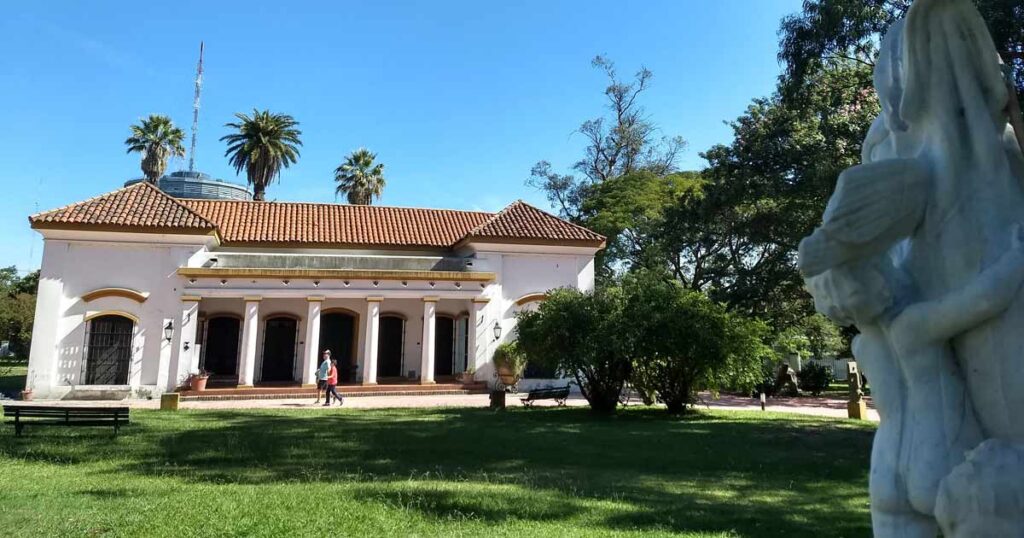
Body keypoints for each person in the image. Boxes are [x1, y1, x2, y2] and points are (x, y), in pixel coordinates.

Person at [804, 225, 1024, 536]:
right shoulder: (912, 327)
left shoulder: (862, 345)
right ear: (879, 276)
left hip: (886, 465)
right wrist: (1017, 256)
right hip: (938, 455)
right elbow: (983, 301)